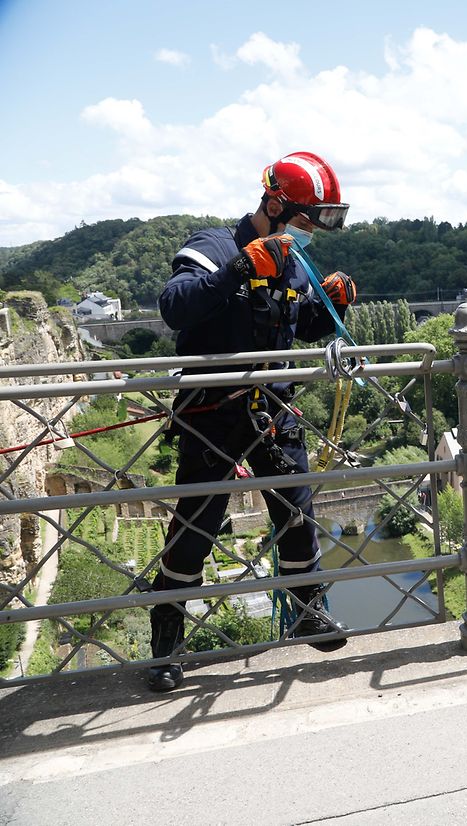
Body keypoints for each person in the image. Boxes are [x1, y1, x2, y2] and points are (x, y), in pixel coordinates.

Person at [149, 151, 358, 691]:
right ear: (274, 204)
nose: (312, 231)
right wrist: (240, 268)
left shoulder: (293, 263)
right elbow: (176, 307)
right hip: (212, 413)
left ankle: (308, 611)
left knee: (297, 511)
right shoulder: (214, 246)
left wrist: (329, 304)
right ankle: (166, 641)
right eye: (309, 218)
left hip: (273, 407)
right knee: (198, 524)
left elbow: (296, 326)